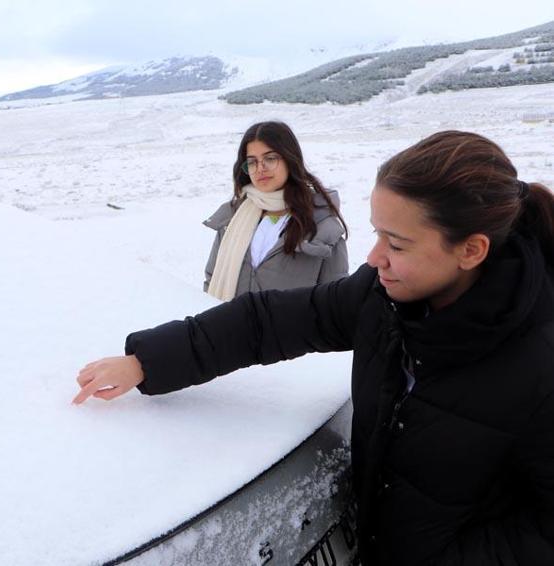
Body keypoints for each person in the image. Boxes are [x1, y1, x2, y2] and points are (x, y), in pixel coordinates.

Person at [73, 131, 554, 565]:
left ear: (470, 250)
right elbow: (267, 321)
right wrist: (148, 361)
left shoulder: (539, 365)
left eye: (397, 244)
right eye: (377, 233)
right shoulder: (382, 298)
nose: (374, 258)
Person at [204, 121, 348, 300]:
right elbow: (211, 280)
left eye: (270, 158)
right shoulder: (232, 217)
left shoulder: (322, 225)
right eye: (252, 162)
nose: (260, 169)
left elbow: (336, 299)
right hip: (229, 319)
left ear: (289, 159)